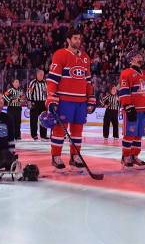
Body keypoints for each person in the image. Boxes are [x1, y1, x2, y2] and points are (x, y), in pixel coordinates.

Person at [46, 28, 96, 169]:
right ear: (68, 40)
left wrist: (91, 97)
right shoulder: (60, 54)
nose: (78, 41)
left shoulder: (85, 57)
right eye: (75, 38)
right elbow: (52, 79)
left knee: (77, 130)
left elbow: (88, 81)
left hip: (80, 102)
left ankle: (75, 156)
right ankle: (56, 156)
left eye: (79, 38)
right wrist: (51, 97)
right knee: (59, 130)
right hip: (64, 100)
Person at [118, 50, 145, 169]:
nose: (140, 57)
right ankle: (125, 156)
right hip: (132, 109)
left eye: (140, 55)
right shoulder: (126, 73)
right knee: (129, 134)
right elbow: (124, 91)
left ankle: (134, 155)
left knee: (138, 135)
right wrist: (127, 106)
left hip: (142, 110)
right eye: (137, 56)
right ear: (131, 59)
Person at [27, 69, 48, 140]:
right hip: (35, 102)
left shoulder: (45, 83)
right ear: (37, 75)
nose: (42, 76)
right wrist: (30, 101)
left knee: (44, 119)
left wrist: (47, 100)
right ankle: (34, 135)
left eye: (43, 75)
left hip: (43, 103)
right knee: (33, 119)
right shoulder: (33, 82)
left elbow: (47, 93)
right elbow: (28, 92)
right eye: (40, 75)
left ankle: (43, 135)